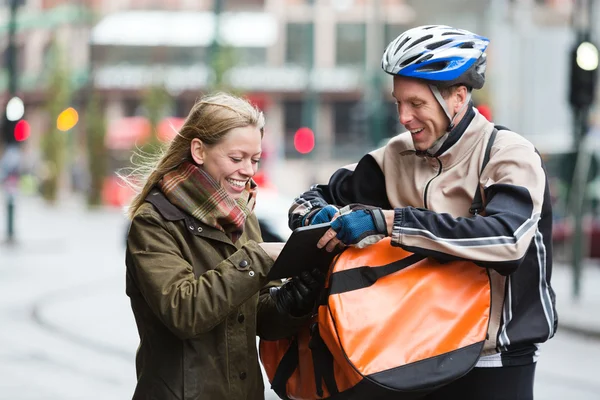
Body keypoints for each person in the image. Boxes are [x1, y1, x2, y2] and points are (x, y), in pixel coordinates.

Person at [288, 25, 556, 400]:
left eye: (416, 104)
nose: (404, 117)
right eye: (398, 103)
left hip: (495, 358)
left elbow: (507, 239)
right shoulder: (395, 156)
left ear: (458, 97)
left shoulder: (508, 154)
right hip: (414, 352)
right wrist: (315, 216)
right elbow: (309, 197)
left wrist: (389, 222)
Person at [124, 92, 323, 400]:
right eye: (236, 158)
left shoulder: (243, 215)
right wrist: (257, 257)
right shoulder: (154, 222)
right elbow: (184, 312)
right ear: (199, 150)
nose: (248, 170)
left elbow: (261, 319)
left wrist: (296, 297)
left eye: (254, 159)